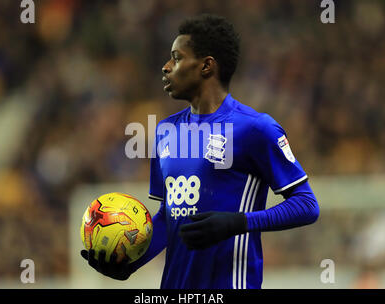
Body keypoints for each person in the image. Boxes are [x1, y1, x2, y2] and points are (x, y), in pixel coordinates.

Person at [81, 14, 319, 289]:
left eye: (176, 58)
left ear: (206, 66)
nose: (166, 67)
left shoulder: (255, 128)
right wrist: (130, 264)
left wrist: (237, 223)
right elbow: (168, 216)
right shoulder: (165, 132)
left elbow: (306, 205)